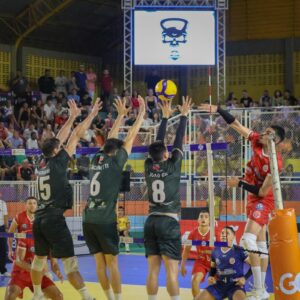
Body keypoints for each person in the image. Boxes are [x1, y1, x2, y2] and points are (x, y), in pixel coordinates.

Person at [199, 103, 285, 299]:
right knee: (261, 245)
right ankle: (262, 290)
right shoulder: (257, 141)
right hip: (253, 199)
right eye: (265, 131)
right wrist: (218, 109)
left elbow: (263, 192)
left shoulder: (275, 162)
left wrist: (239, 183)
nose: (263, 133)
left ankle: (257, 288)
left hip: (264, 201)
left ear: (275, 140)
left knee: (247, 240)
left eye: (268, 133)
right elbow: (236, 124)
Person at [31, 99, 101, 300]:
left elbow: (58, 140)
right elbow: (76, 135)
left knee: (39, 259)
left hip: (40, 217)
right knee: (70, 263)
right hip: (54, 218)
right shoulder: (59, 161)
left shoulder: (40, 161)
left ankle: (37, 295)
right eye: (59, 148)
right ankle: (87, 297)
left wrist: (71, 116)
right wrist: (91, 114)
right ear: (56, 152)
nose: (62, 147)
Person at [82, 96, 145, 300]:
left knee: (100, 264)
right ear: (116, 152)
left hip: (88, 218)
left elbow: (111, 137)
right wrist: (141, 113)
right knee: (113, 263)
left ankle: (108, 298)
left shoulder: (95, 159)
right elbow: (130, 136)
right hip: (105, 219)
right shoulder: (116, 161)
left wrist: (119, 116)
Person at [144, 97, 192, 300]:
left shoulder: (147, 165)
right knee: (171, 271)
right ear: (166, 154)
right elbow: (178, 140)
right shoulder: (173, 165)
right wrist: (183, 117)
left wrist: (164, 119)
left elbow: (158, 143)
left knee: (153, 271)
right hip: (169, 221)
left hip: (151, 221)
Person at [196, 226, 251, 300]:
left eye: (227, 233)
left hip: (235, 286)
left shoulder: (239, 250)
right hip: (219, 285)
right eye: (222, 233)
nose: (223, 235)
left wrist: (245, 278)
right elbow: (213, 268)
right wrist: (210, 276)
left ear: (233, 237)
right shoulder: (215, 251)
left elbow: (253, 266)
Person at [5, 234, 63, 300]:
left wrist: (58, 271)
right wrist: (36, 269)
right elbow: (18, 261)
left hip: (39, 275)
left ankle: (37, 294)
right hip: (21, 273)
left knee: (58, 296)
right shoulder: (26, 236)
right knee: (10, 296)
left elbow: (54, 263)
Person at [180, 208, 213, 299]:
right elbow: (186, 250)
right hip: (201, 262)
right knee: (194, 281)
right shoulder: (193, 233)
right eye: (201, 217)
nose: (203, 219)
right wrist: (182, 266)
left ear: (209, 220)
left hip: (214, 263)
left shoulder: (215, 233)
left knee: (216, 285)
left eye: (206, 217)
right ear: (198, 220)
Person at [7, 196, 37, 262]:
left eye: (34, 203)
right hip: (23, 249)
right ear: (26, 205)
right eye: (30, 203)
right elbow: (10, 234)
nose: (32, 205)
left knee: (39, 270)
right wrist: (10, 250)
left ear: (37, 205)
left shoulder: (40, 217)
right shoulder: (19, 216)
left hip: (37, 248)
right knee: (21, 268)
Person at [0, 194, 9, 276]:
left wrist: (6, 227)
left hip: (1, 228)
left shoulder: (3, 203)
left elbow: (5, 216)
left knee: (3, 249)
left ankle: (3, 270)